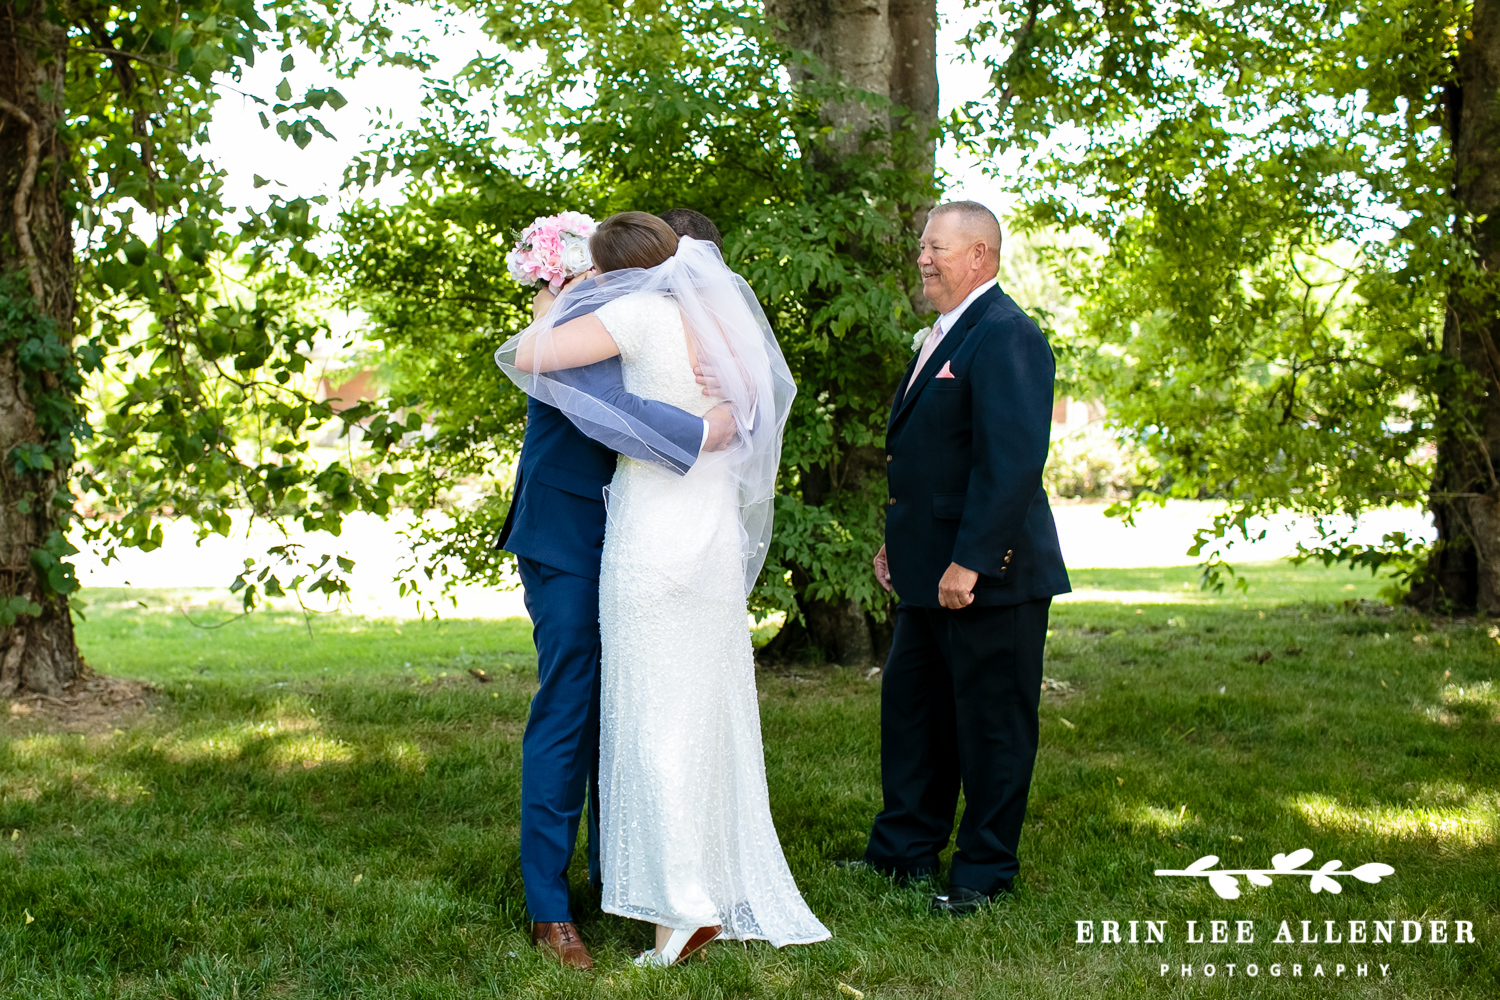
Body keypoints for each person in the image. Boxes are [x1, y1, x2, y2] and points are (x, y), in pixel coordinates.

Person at [497, 212, 829, 965]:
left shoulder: (669, 320)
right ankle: (552, 909)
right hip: (572, 533)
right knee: (574, 707)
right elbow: (616, 411)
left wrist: (729, 402)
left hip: (649, 532)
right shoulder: (596, 314)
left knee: (644, 707)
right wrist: (704, 425)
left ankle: (637, 883)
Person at [862, 200, 1070, 915]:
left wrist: (972, 561)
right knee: (914, 715)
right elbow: (932, 458)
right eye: (923, 246)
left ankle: (982, 872)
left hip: (991, 578)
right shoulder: (942, 335)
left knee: (992, 726)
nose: (923, 258)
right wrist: (904, 541)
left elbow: (1010, 462)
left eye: (937, 247)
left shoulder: (1007, 335)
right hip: (928, 569)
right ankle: (903, 850)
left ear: (980, 256)